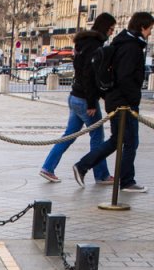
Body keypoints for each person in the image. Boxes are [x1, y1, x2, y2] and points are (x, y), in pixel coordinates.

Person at [73, 11, 154, 193]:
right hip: (123, 103)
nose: (150, 33)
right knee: (131, 142)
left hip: (115, 100)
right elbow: (125, 77)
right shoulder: (131, 47)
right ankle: (126, 181)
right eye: (149, 28)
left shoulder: (123, 42)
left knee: (116, 140)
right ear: (142, 27)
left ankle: (82, 166)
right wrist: (133, 99)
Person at [39, 13, 116, 184]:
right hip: (85, 99)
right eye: (111, 29)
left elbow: (81, 72)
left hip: (75, 96)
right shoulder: (95, 45)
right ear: (104, 27)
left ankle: (48, 167)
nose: (111, 32)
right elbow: (89, 75)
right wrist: (92, 102)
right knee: (97, 137)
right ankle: (101, 175)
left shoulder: (82, 43)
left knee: (69, 135)